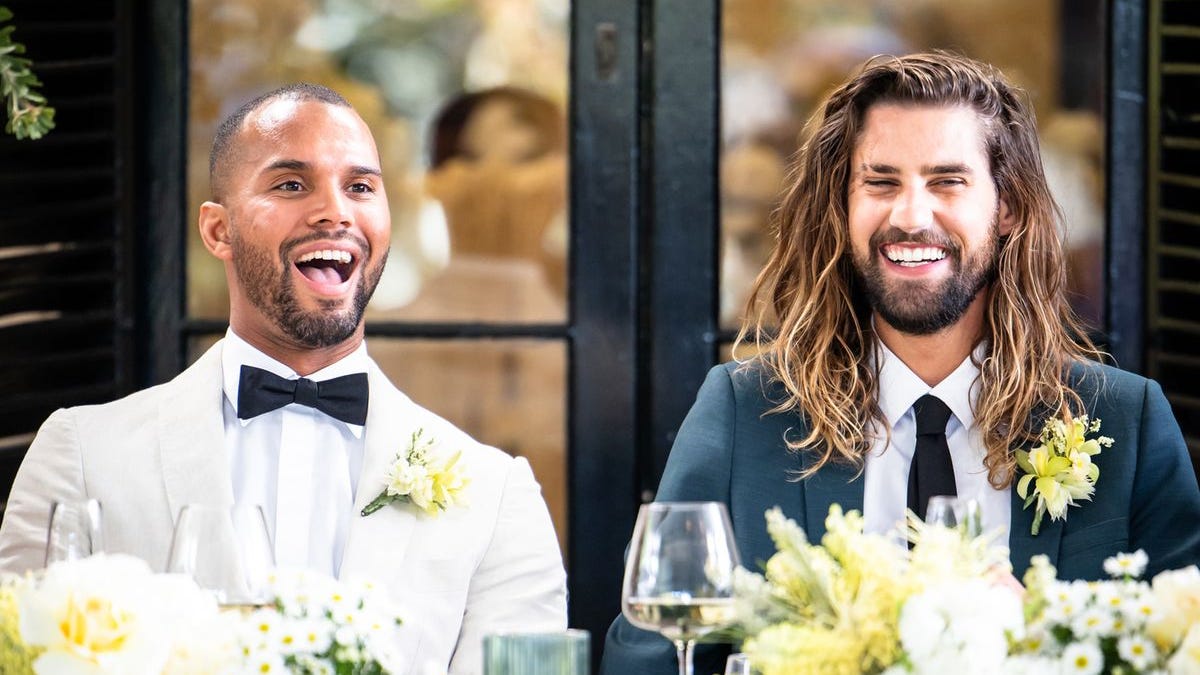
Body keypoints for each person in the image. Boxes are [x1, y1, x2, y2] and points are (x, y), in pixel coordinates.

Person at [599, 52, 1200, 674]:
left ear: (1008, 208)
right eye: (881, 183)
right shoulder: (743, 410)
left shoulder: (1125, 422)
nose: (911, 216)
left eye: (947, 182)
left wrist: (1038, 636)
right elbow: (645, 659)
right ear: (842, 208)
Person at [0, 83, 567, 674]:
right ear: (218, 231)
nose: (335, 212)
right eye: (291, 184)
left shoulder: (497, 497)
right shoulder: (83, 454)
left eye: (360, 187)